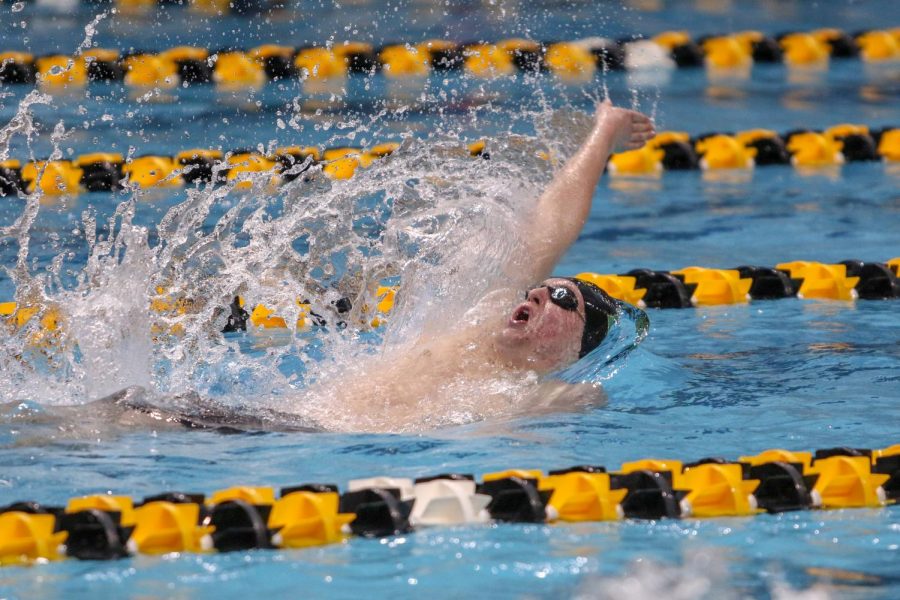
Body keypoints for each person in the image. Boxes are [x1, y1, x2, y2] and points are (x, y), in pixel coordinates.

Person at [302, 100, 656, 432]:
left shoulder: (544, 396)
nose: (536, 293)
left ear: (577, 345)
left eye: (561, 296)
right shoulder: (473, 318)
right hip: (287, 421)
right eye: (540, 287)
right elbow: (550, 225)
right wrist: (605, 132)